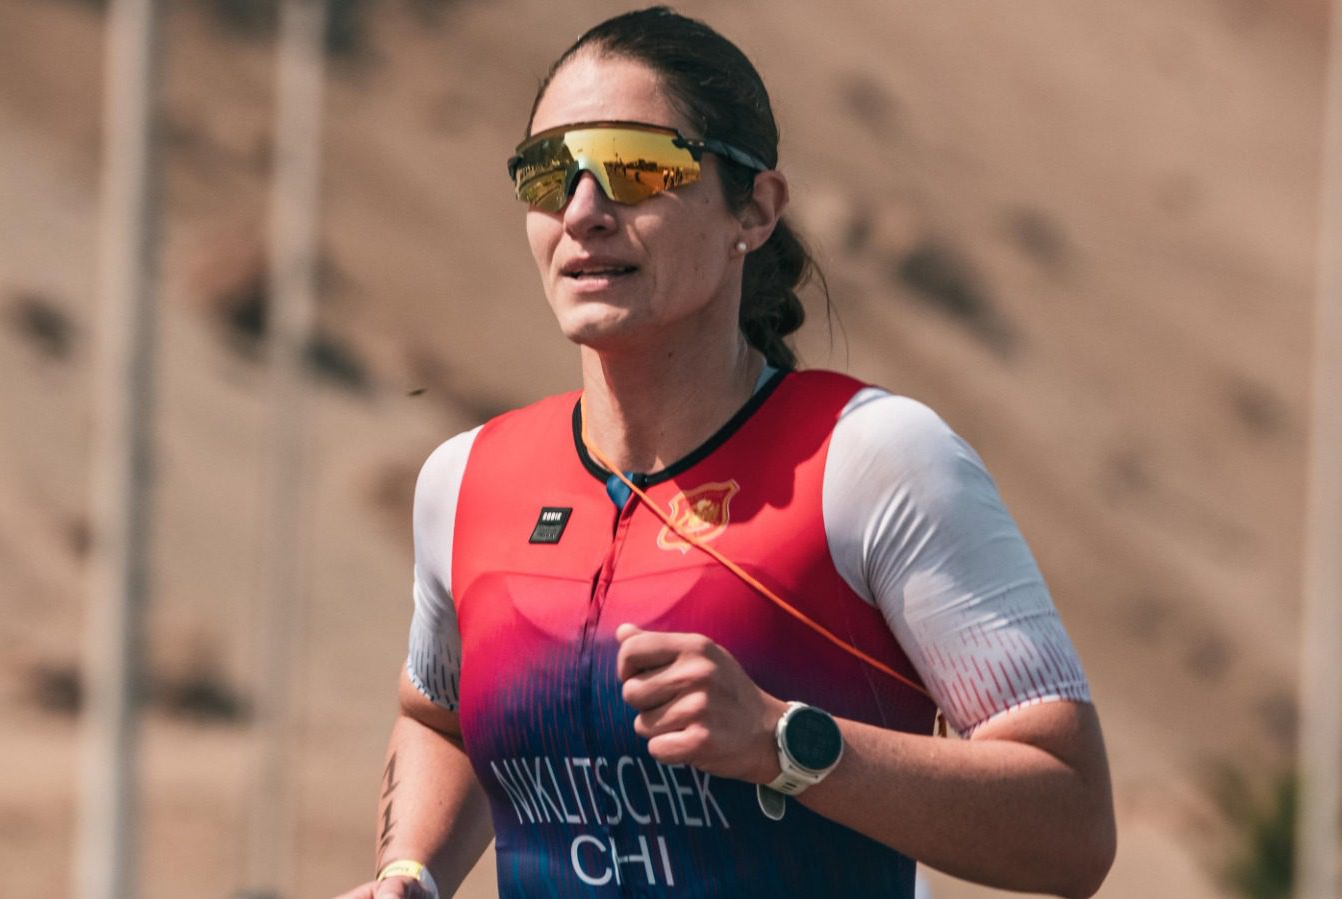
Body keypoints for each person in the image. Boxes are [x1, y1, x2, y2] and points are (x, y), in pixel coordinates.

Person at [332, 8, 1114, 898]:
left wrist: (784, 743)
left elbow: (1074, 826)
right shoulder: (465, 479)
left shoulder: (874, 461)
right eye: (548, 171)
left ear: (755, 208)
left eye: (635, 165)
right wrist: (410, 871)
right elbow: (438, 719)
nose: (582, 212)